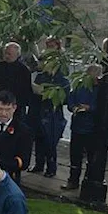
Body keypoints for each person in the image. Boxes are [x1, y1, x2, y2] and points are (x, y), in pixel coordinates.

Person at [30, 38, 68, 177]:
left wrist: (49, 94)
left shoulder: (61, 79)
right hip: (39, 111)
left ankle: (51, 168)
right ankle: (39, 164)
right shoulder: (41, 77)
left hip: (52, 114)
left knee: (50, 142)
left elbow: (64, 99)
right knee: (39, 140)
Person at [63, 64, 103, 189]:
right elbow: (70, 99)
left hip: (92, 128)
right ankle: (73, 180)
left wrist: (90, 108)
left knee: (91, 158)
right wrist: (74, 107)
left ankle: (87, 180)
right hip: (78, 126)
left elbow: (103, 107)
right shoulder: (79, 86)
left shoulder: (101, 90)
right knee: (75, 156)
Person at [0, 42, 32, 121]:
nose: (6, 56)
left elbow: (26, 91)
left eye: (9, 54)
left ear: (17, 55)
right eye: (5, 53)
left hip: (15, 107)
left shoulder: (24, 70)